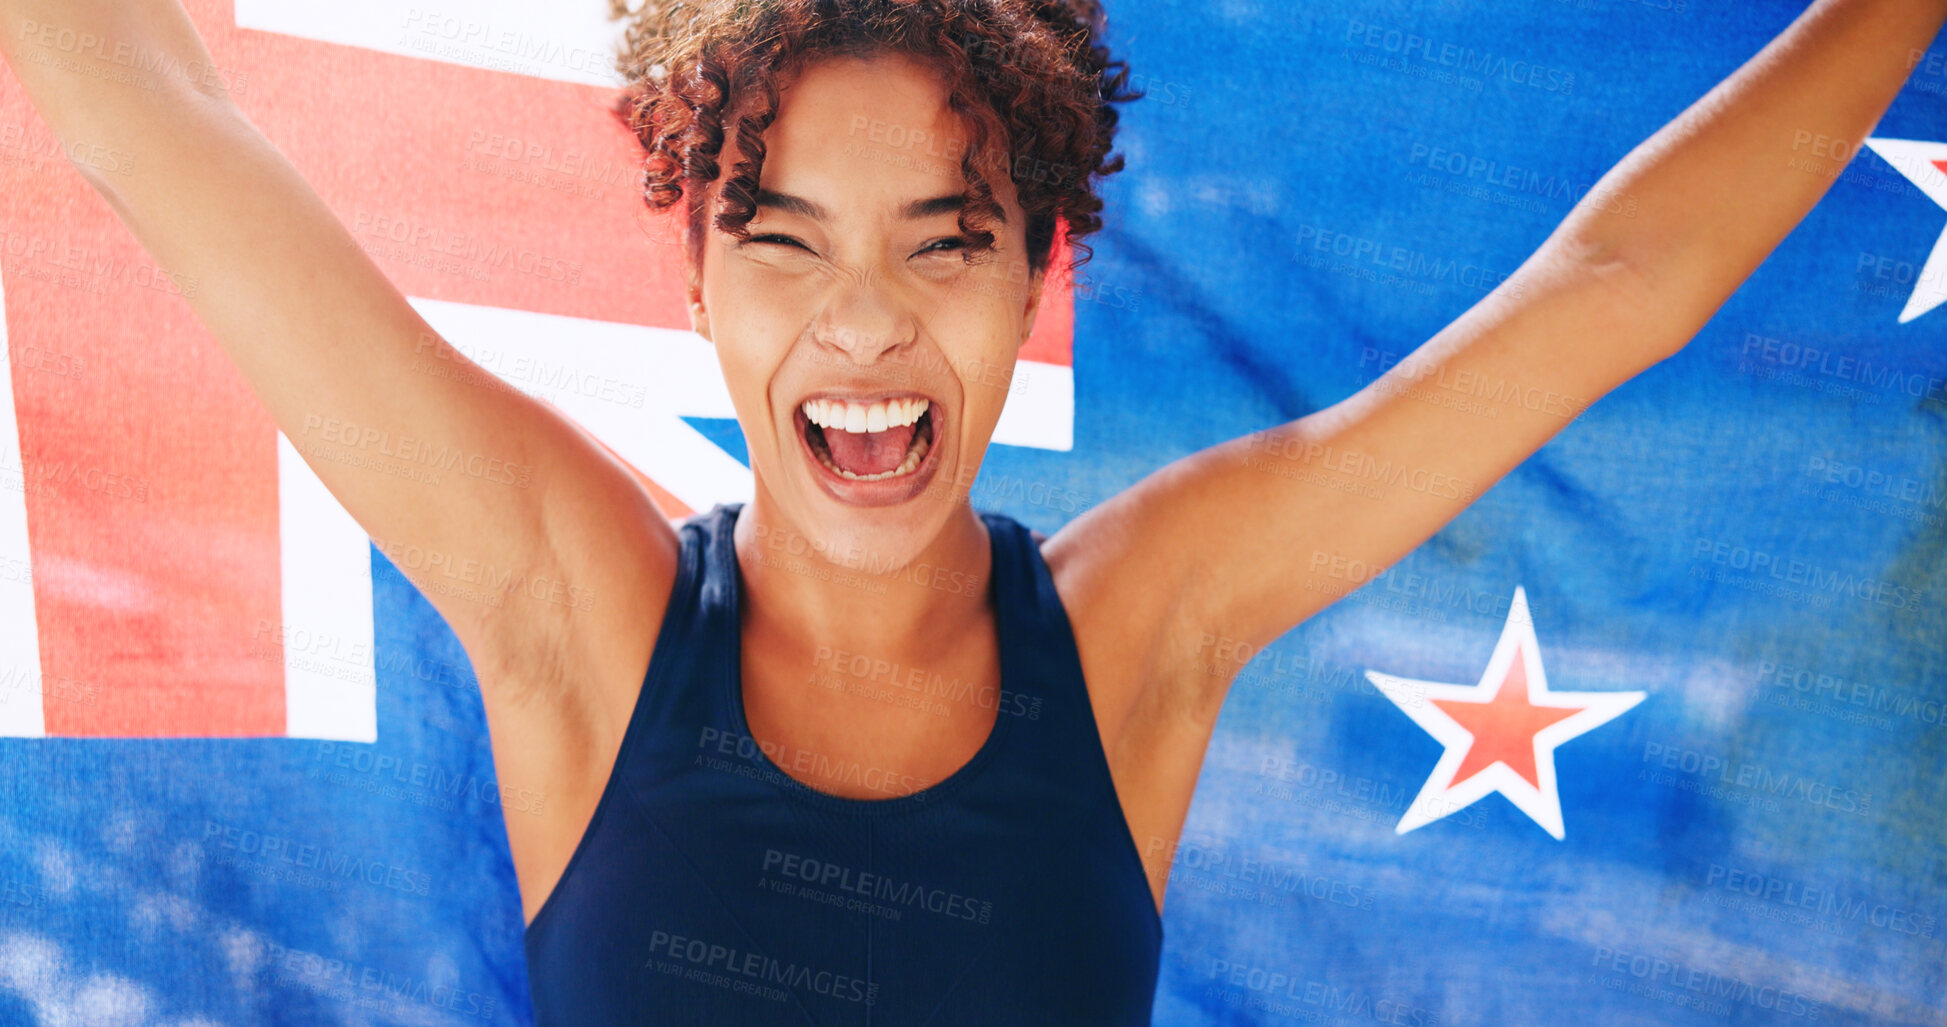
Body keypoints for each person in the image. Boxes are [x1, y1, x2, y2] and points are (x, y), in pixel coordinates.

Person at [3, 0, 1943, 1022]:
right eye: (787, 245)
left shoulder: (1137, 629)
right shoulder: (570, 610)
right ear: (697, 283)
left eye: (943, 244)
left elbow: (1610, 289)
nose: (862, 318)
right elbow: (151, 122)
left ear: (1034, 273)